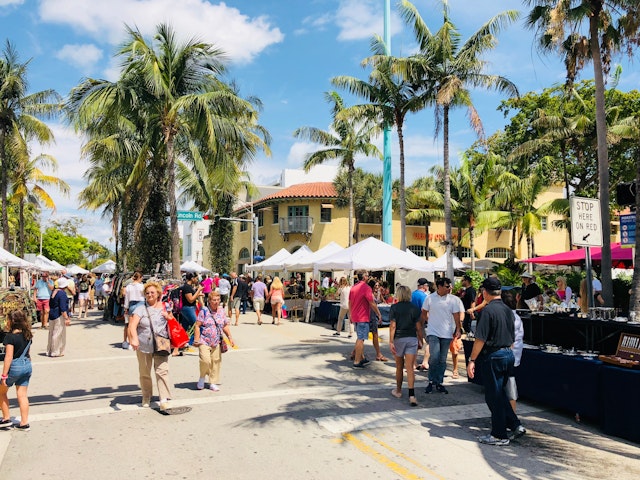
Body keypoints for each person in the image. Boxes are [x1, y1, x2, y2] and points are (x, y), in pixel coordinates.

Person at [467, 277, 525, 445]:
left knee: (494, 397)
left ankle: (499, 434)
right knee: (501, 395)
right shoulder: (508, 310)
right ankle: (514, 424)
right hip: (508, 353)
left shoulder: (488, 311)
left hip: (494, 355)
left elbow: (480, 339)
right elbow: (512, 337)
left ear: (485, 292)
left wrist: (472, 360)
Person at [128, 280, 173, 410]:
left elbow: (173, 322)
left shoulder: (165, 306)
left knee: (162, 371)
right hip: (144, 345)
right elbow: (132, 326)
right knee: (145, 372)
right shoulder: (140, 309)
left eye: (152, 292)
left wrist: (168, 317)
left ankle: (164, 398)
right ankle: (146, 395)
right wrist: (134, 339)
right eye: (147, 293)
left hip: (161, 344)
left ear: (158, 293)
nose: (150, 295)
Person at [421, 277, 462, 394]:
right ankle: (431, 380)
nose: (449, 288)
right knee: (434, 357)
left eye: (449, 286)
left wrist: (458, 329)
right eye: (447, 286)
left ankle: (439, 382)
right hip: (433, 332)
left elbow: (456, 315)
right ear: (439, 287)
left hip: (447, 333)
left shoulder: (453, 300)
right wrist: (426, 322)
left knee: (442, 359)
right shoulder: (430, 298)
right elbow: (424, 312)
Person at [194, 291, 235, 391]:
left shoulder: (221, 311)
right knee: (205, 360)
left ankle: (213, 382)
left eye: (218, 300)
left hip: (216, 341)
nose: (216, 302)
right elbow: (197, 325)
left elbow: (224, 325)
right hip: (204, 340)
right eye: (214, 300)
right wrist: (196, 339)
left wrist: (230, 337)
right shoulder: (204, 311)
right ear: (209, 301)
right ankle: (202, 377)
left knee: (216, 362)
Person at [389, 285, 422, 407]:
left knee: (399, 366)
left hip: (399, 338)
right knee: (410, 368)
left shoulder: (394, 307)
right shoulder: (414, 308)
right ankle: (412, 395)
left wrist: (391, 341)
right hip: (412, 338)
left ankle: (398, 390)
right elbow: (418, 327)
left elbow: (393, 326)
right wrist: (420, 339)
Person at [1, 310, 33, 431]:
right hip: (27, 365)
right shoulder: (28, 335)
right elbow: (28, 353)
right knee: (22, 395)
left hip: (15, 367)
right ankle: (24, 423)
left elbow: (8, 357)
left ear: (10, 322)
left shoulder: (10, 337)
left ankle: (6, 418)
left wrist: (4, 375)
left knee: (1, 392)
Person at [349, 270, 381, 368]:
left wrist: (350, 314)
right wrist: (378, 314)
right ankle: (357, 361)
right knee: (361, 338)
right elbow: (371, 302)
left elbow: (350, 302)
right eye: (367, 276)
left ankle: (360, 357)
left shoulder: (353, 288)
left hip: (355, 316)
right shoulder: (366, 288)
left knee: (359, 336)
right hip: (363, 316)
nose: (368, 277)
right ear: (364, 277)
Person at [501, 290, 524, 413]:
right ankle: (510, 416)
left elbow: (510, 340)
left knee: (508, 388)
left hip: (507, 356)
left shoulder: (509, 317)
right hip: (511, 356)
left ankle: (511, 417)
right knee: (508, 387)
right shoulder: (516, 317)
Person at [47, 277, 71, 357]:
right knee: (58, 333)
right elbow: (63, 307)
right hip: (59, 315)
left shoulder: (54, 292)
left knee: (51, 333)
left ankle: (50, 350)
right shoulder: (62, 294)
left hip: (52, 314)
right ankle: (56, 351)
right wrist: (66, 318)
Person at [412, 278, 430, 372]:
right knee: (430, 341)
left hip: (412, 321)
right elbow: (425, 311)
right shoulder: (424, 296)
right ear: (424, 286)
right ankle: (425, 362)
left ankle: (414, 363)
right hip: (422, 321)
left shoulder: (412, 294)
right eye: (427, 285)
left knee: (415, 342)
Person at [368, 279, 389, 362]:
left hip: (372, 316)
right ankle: (378, 354)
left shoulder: (375, 293)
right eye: (375, 285)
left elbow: (380, 301)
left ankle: (378, 354)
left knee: (372, 334)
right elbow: (373, 304)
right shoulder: (370, 294)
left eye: (378, 285)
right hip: (371, 316)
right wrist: (379, 314)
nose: (377, 287)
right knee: (372, 334)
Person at [123, 272, 145, 350]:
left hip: (132, 304)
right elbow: (144, 296)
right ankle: (139, 341)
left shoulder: (129, 286)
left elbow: (127, 298)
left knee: (130, 325)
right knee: (141, 323)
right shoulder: (142, 286)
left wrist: (126, 307)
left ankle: (130, 343)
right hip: (141, 303)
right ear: (140, 278)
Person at [180, 272, 204, 338]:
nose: (197, 280)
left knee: (184, 328)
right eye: (196, 278)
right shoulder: (187, 287)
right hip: (188, 309)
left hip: (189, 308)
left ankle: (182, 342)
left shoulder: (189, 287)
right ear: (192, 278)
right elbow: (190, 300)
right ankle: (193, 341)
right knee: (197, 325)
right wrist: (198, 290)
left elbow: (191, 296)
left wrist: (198, 294)